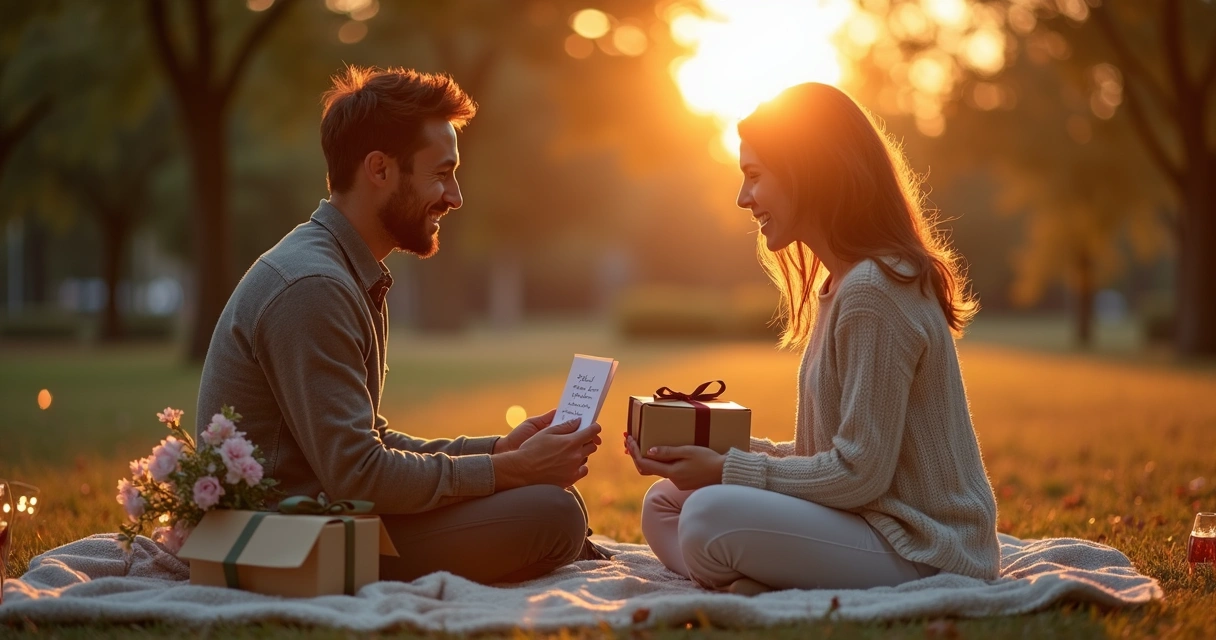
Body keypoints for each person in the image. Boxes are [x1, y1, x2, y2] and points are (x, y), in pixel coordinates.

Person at [196, 65, 605, 585]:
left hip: (332, 513)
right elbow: (359, 473)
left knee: (549, 502)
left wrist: (499, 451)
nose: (454, 197)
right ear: (379, 169)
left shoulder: (345, 269)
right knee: (551, 513)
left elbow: (369, 442)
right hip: (285, 538)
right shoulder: (313, 286)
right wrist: (511, 471)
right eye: (441, 173)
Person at [625, 83, 1000, 594]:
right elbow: (823, 458)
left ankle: (757, 580)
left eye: (755, 176)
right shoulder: (843, 284)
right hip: (865, 519)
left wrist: (727, 469)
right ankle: (753, 578)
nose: (742, 198)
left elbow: (858, 475)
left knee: (707, 514)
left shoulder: (874, 289)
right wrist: (709, 453)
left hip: (925, 548)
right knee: (665, 504)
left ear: (807, 171)